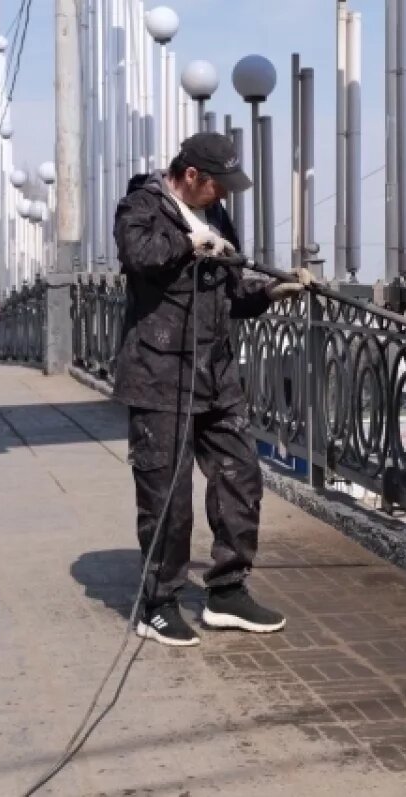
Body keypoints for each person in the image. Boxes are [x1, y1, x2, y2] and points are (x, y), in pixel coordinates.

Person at [113, 131, 313, 647]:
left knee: (240, 476)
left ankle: (227, 591)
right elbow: (140, 259)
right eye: (216, 186)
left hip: (216, 373)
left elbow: (231, 293)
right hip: (159, 373)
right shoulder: (140, 205)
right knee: (168, 493)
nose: (223, 196)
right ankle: (157, 603)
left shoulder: (217, 216)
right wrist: (187, 242)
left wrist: (271, 292)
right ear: (192, 176)